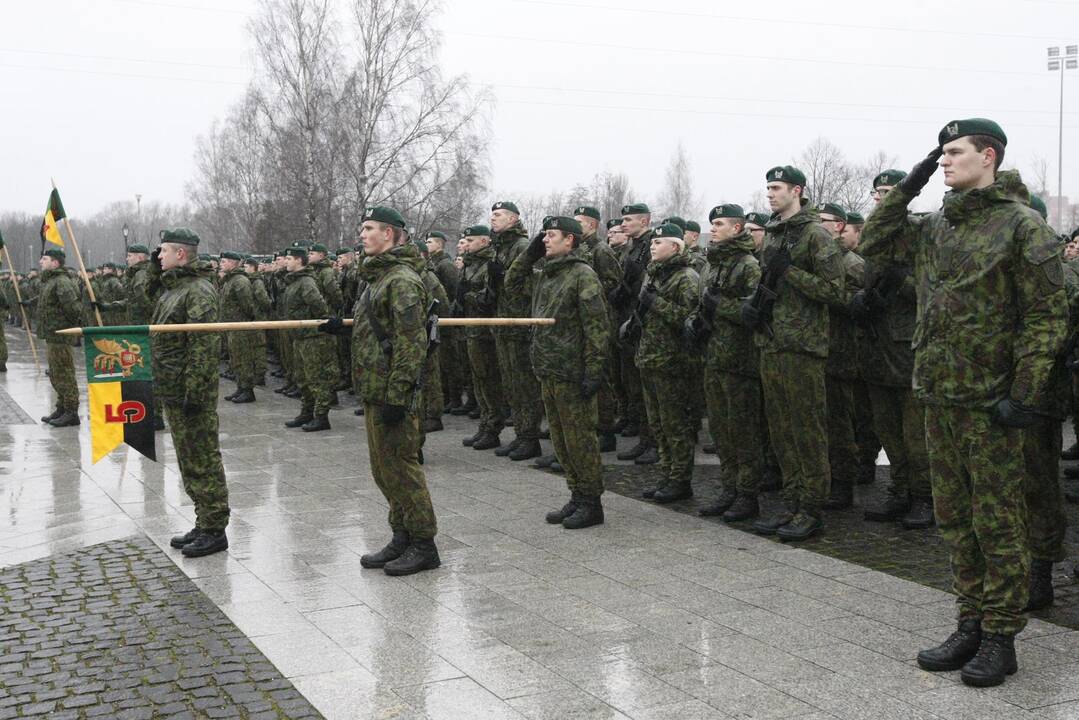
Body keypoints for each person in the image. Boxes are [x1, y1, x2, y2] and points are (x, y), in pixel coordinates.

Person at [861, 119, 1068, 687]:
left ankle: (1001, 635)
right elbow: (874, 242)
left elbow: (1048, 318)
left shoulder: (1021, 227)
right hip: (939, 394)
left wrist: (1024, 394)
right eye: (940, 155)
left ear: (989, 156)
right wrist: (911, 184)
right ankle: (969, 620)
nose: (944, 161)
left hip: (991, 402)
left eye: (953, 153)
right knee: (955, 519)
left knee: (998, 520)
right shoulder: (938, 225)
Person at [322, 206, 440, 576]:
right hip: (376, 386)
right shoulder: (378, 278)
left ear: (388, 234)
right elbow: (381, 327)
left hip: (393, 392)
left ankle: (424, 543)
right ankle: (401, 535)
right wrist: (346, 328)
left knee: (402, 469)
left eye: (368, 228)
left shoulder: (401, 279)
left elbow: (411, 344)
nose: (362, 235)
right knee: (383, 469)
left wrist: (399, 395)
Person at [743, 165, 844, 541]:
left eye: (777, 187)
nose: (770, 194)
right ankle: (792, 501)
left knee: (808, 431)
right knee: (782, 431)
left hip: (802, 347)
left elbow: (836, 292)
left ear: (797, 191)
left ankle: (812, 508)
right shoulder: (772, 235)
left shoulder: (816, 235)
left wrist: (792, 274)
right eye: (767, 187)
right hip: (772, 343)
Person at [506, 216, 611, 528]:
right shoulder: (544, 274)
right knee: (561, 441)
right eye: (544, 236)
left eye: (552, 235)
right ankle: (577, 494)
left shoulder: (582, 275)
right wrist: (529, 254)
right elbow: (511, 284)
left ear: (571, 241)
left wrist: (593, 371)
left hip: (572, 372)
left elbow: (597, 328)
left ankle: (592, 501)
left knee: (580, 440)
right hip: (548, 368)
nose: (545, 240)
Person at [150, 229, 231, 558]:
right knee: (188, 459)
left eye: (164, 251)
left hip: (189, 392)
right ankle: (203, 519)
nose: (159, 256)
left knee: (203, 458)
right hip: (173, 388)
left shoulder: (197, 291)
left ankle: (215, 528)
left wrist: (195, 392)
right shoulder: (173, 289)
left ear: (181, 254)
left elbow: (203, 347)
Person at [687, 204, 763, 521]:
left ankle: (748, 495)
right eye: (712, 224)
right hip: (714, 358)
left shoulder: (748, 266)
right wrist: (695, 321)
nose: (713, 229)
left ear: (737, 228)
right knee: (721, 432)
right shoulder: (712, 266)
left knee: (743, 432)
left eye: (719, 224)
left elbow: (753, 314)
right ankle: (729, 488)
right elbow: (700, 303)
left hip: (740, 361)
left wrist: (720, 306)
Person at [626, 223, 699, 502]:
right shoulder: (653, 276)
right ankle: (667, 474)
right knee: (658, 424)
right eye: (652, 243)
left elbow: (691, 319)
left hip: (674, 362)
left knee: (675, 425)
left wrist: (656, 303)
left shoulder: (686, 277)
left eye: (659, 243)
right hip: (650, 358)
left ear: (676, 247)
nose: (653, 247)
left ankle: (680, 479)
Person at [489, 201, 544, 461]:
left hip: (519, 322)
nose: (493, 219)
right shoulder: (500, 247)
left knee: (525, 384)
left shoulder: (521, 247)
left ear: (513, 219)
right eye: (492, 215)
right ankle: (521, 434)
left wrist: (506, 279)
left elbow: (533, 288)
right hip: (504, 322)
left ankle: (530, 437)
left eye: (498, 215)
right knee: (511, 383)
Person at [281, 247, 336, 432]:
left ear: (299, 261)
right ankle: (306, 412)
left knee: (316, 378)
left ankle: (321, 416)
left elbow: (319, 306)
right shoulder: (294, 282)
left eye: (289, 258)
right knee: (302, 378)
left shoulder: (306, 282)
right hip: (300, 337)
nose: (286, 261)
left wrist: (317, 324)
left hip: (313, 338)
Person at [33, 248, 84, 427]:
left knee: (65, 373)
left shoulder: (61, 281)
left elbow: (73, 308)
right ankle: (61, 407)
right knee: (55, 373)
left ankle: (71, 411)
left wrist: (66, 327)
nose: (41, 262)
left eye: (44, 259)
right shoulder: (50, 281)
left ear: (55, 263)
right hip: (52, 335)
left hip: (61, 335)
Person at [219, 251, 258, 404]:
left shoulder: (240, 280)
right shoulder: (230, 280)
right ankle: (241, 387)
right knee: (235, 359)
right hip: (231, 326)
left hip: (240, 326)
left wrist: (244, 321)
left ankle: (248, 390)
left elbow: (248, 304)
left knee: (244, 359)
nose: (221, 264)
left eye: (224, 261)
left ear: (234, 263)